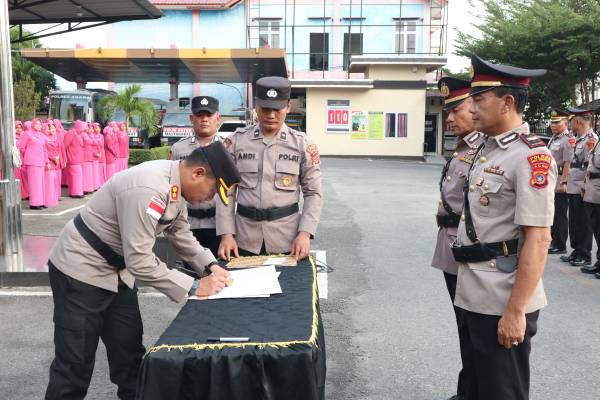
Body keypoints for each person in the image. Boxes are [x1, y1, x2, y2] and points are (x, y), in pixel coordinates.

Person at [45, 141, 240, 400]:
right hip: (81, 271)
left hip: (118, 273)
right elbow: (139, 260)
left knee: (130, 357)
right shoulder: (148, 188)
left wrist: (211, 266)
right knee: (74, 366)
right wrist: (194, 286)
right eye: (213, 190)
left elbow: (180, 234)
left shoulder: (176, 187)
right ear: (198, 173)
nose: (211, 198)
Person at [451, 55, 556, 400]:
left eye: (479, 100)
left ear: (507, 102)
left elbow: (538, 240)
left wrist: (515, 311)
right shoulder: (489, 148)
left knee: (501, 391)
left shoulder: (530, 157)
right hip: (476, 291)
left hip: (502, 298)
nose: (472, 108)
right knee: (475, 386)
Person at [217, 76, 323, 260]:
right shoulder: (236, 141)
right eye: (265, 109)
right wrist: (226, 234)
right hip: (244, 238)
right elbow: (225, 191)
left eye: (277, 109)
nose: (271, 115)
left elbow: (313, 193)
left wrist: (305, 233)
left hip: (287, 239)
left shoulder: (302, 144)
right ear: (256, 106)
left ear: (288, 106)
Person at [431, 77, 484, 400]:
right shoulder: (463, 146)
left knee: (475, 329)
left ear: (475, 107)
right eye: (447, 112)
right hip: (451, 247)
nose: (449, 118)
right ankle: (468, 390)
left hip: (469, 251)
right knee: (464, 327)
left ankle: (474, 392)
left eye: (456, 110)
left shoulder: (484, 149)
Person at [169, 95, 223, 256]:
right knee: (189, 266)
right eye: (200, 115)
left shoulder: (228, 148)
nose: (204, 119)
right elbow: (171, 184)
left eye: (209, 115)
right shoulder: (178, 148)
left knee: (219, 267)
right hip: (187, 224)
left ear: (218, 118)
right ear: (192, 118)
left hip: (219, 225)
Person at [564, 109, 598, 266]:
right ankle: (577, 250)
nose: (570, 125)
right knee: (574, 221)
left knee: (583, 221)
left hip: (582, 185)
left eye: (571, 122)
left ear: (577, 122)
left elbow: (590, 164)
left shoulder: (591, 139)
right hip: (574, 184)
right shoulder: (578, 139)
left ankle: (584, 253)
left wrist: (585, 185)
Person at [547, 109, 573, 254]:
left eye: (557, 122)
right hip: (551, 179)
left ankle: (560, 244)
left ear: (565, 123)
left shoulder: (567, 139)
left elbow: (568, 162)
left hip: (559, 180)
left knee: (559, 214)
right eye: (552, 122)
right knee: (552, 212)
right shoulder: (554, 138)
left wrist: (564, 182)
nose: (553, 125)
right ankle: (553, 241)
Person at [580, 134, 600, 277]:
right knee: (597, 230)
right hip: (593, 191)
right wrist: (585, 185)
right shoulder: (598, 141)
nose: (598, 123)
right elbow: (591, 165)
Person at [19, 118, 48, 209]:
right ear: (33, 124)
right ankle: (34, 203)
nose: (38, 125)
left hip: (41, 162)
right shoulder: (28, 134)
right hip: (32, 162)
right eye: (36, 124)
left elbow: (44, 149)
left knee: (41, 183)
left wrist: (46, 161)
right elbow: (21, 147)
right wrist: (29, 155)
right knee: (34, 183)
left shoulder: (42, 135)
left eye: (40, 124)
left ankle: (41, 202)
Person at [63, 120, 86, 198]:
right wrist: (65, 157)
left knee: (78, 176)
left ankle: (77, 192)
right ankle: (75, 193)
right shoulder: (71, 133)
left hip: (78, 159)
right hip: (72, 159)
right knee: (75, 176)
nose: (83, 129)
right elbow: (64, 145)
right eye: (82, 127)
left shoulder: (79, 134)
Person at [43, 122, 61, 207]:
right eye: (47, 129)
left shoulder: (52, 138)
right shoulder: (44, 139)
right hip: (48, 162)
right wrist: (53, 157)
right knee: (49, 183)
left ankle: (53, 199)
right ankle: (48, 200)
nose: (49, 130)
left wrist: (57, 157)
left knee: (53, 182)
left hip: (54, 162)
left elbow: (57, 149)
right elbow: (45, 151)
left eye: (49, 129)